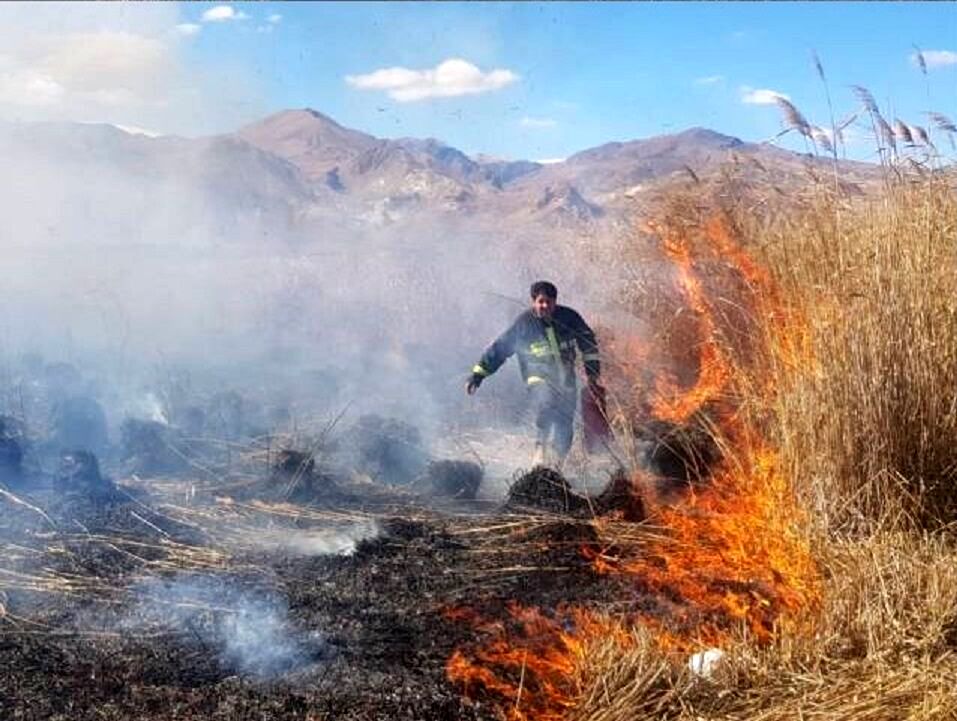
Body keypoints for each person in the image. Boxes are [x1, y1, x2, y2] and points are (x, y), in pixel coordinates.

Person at [466, 281, 601, 466]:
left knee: (565, 422)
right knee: (546, 402)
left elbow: (589, 343)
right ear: (533, 301)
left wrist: (592, 373)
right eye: (541, 301)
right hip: (537, 376)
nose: (545, 306)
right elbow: (499, 349)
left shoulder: (569, 318)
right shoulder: (524, 324)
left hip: (566, 379)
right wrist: (477, 376)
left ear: (555, 302)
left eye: (549, 302)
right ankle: (540, 451)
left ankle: (557, 464)